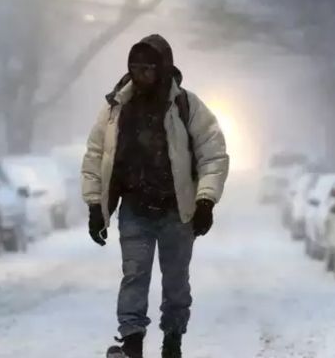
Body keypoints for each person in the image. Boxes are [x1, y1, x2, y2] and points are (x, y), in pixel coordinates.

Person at [81, 34, 229, 358]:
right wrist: (96, 205)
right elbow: (95, 157)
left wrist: (205, 201)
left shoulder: (185, 105)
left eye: (148, 68)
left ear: (163, 68)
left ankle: (172, 340)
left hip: (177, 212)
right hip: (135, 209)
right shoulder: (115, 109)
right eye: (134, 67)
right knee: (134, 275)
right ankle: (131, 341)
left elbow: (213, 154)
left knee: (176, 282)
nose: (140, 75)